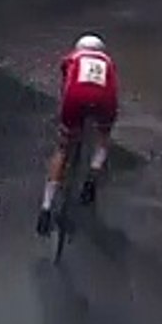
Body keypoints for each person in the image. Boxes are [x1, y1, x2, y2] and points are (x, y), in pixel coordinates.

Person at [36, 33, 119, 237]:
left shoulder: (72, 57)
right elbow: (112, 86)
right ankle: (92, 176)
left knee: (63, 148)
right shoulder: (109, 62)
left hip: (75, 98)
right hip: (104, 100)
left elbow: (65, 85)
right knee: (103, 138)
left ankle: (46, 207)